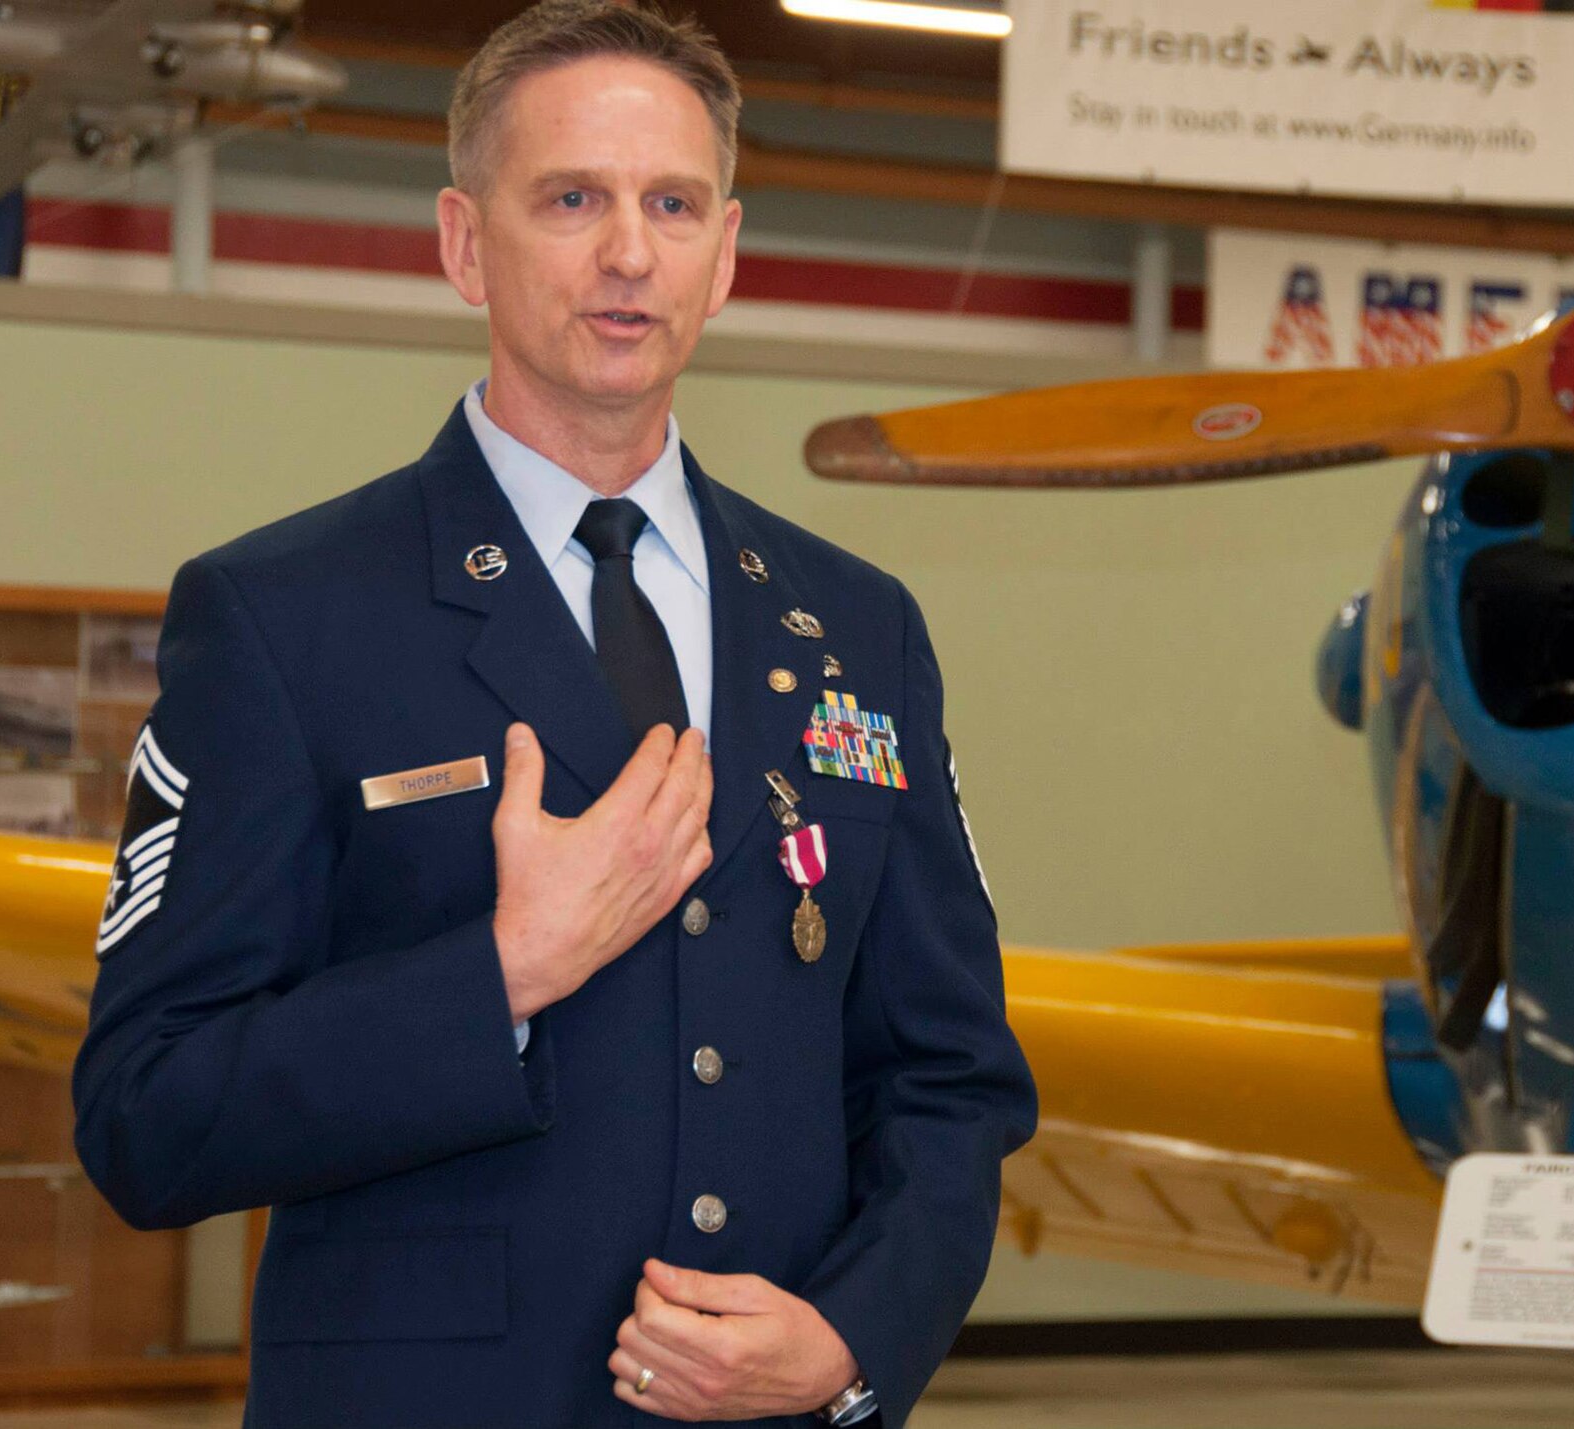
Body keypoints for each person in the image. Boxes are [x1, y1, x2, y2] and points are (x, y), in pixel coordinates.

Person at [69, 4, 1038, 1425]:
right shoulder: (284, 617)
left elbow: (949, 1079)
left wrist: (850, 1337)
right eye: (572, 198)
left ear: (726, 254)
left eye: (672, 204)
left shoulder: (861, 628)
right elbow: (146, 1115)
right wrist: (505, 970)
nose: (629, 252)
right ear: (466, 243)